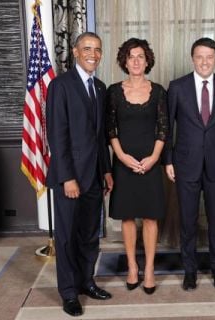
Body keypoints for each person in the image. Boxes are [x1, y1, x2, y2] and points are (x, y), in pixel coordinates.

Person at [45, 32, 114, 317]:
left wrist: (107, 170)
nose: (93, 54)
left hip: (95, 177)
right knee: (67, 238)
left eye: (97, 49)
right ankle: (69, 292)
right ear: (75, 52)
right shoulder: (60, 86)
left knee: (89, 235)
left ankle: (86, 281)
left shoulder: (100, 86)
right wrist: (67, 177)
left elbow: (100, 138)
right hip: (70, 178)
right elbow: (57, 135)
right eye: (87, 48)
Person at [163, 37, 215, 291]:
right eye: (199, 56)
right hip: (185, 164)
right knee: (188, 220)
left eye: (209, 57)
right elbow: (166, 127)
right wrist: (168, 161)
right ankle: (190, 271)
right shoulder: (177, 87)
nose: (204, 61)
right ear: (192, 58)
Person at [106, 38, 168, 295]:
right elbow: (110, 129)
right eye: (131, 56)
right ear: (124, 60)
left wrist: (154, 158)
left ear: (147, 60)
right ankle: (132, 267)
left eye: (140, 56)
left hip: (151, 161)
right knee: (128, 217)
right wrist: (121, 156)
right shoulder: (113, 91)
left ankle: (150, 269)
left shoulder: (159, 91)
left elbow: (164, 128)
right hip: (124, 162)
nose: (135, 60)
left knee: (151, 217)